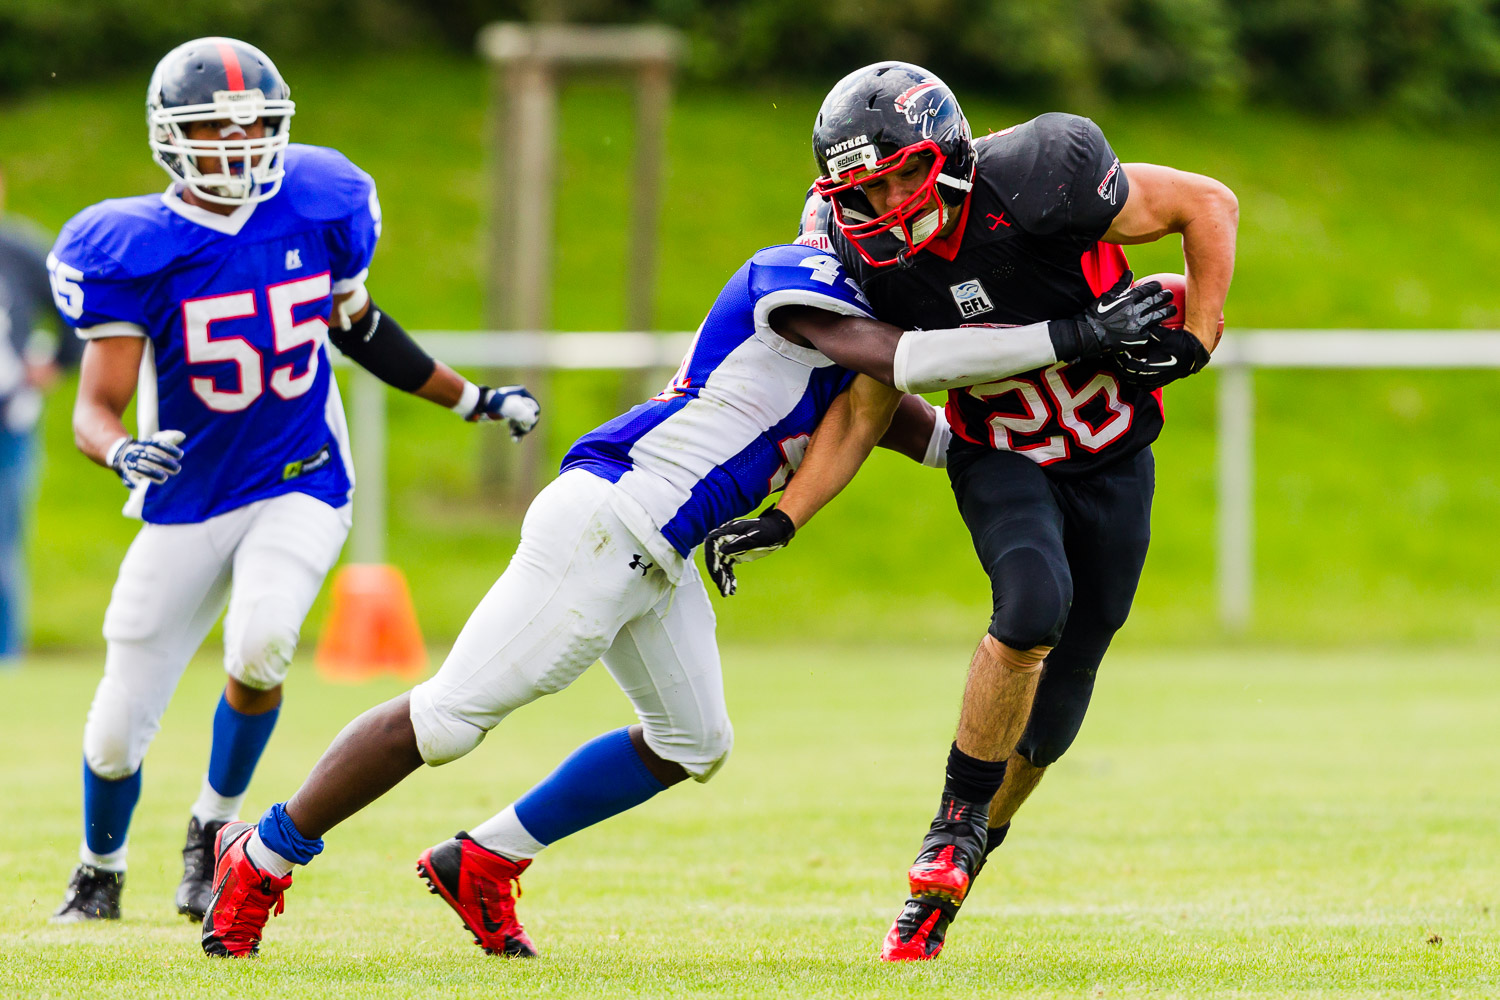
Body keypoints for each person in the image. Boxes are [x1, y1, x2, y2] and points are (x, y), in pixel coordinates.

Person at [195, 239, 1172, 958]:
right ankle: (264, 854)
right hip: (609, 521)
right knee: (449, 718)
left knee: (692, 742)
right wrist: (1075, 330)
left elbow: (916, 423)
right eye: (871, 208)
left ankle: (483, 860)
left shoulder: (856, 350)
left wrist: (1059, 459)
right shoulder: (790, 280)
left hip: (658, 550)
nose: (892, 228)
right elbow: (906, 366)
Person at [47, 37, 540, 926]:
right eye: (213, 129)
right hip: (189, 494)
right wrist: (118, 449)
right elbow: (96, 407)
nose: (237, 146)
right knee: (119, 726)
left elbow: (358, 325)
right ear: (170, 137)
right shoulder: (128, 243)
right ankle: (98, 870)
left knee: (262, 642)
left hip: (301, 474)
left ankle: (213, 833)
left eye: (254, 126)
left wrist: (472, 400)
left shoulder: (320, 200)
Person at [765, 61, 1237, 961]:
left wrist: (1197, 337)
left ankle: (968, 851)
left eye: (903, 175)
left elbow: (1207, 203)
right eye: (862, 189)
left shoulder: (1039, 180)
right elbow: (867, 403)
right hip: (1002, 453)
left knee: (1063, 699)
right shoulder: (856, 253)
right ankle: (951, 822)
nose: (885, 205)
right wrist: (789, 516)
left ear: (948, 155)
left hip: (1115, 456)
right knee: (1030, 605)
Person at [0, 165, 80, 660]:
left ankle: (6, 656)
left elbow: (76, 311)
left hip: (8, 420)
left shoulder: (20, 251)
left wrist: (54, 363)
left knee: (3, 541)